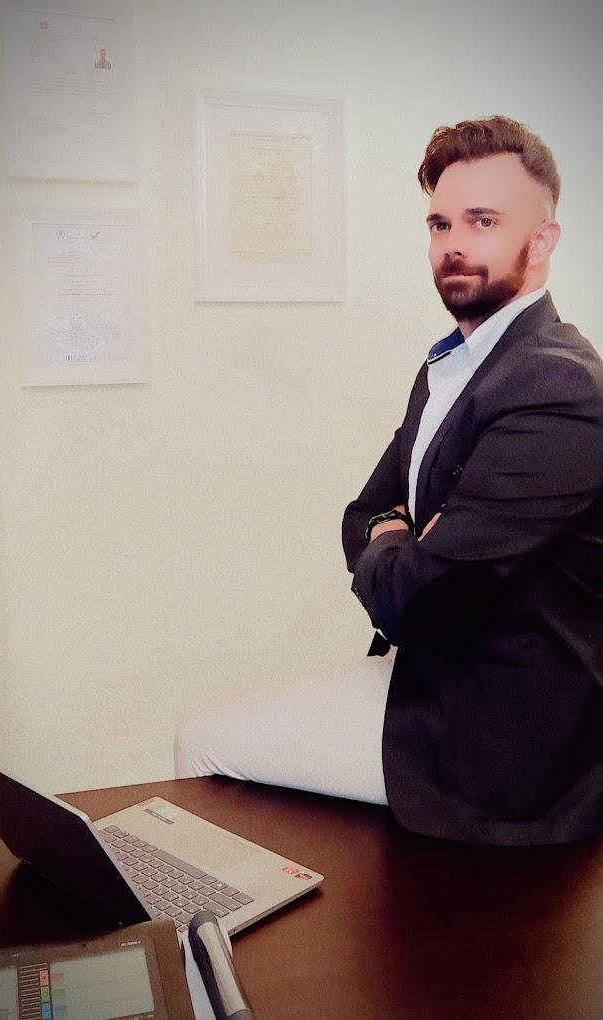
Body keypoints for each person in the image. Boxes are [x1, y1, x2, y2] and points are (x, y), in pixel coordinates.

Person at [175, 116, 603, 846]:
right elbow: (363, 512)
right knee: (212, 732)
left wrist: (397, 548)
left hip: (506, 740)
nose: (454, 244)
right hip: (433, 675)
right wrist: (399, 538)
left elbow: (413, 599)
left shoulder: (558, 390)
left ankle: (216, 928)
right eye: (440, 223)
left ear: (542, 241)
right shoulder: (454, 365)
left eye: (484, 221)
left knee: (204, 745)